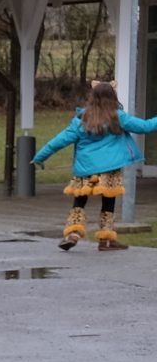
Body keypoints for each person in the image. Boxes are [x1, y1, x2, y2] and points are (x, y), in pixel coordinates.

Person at [33, 79, 154, 250]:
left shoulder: (81, 119)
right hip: (109, 168)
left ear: (92, 97)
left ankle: (73, 233)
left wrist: (39, 157)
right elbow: (145, 127)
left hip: (85, 168)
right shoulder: (118, 117)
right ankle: (106, 239)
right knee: (108, 201)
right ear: (113, 97)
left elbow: (59, 141)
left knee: (80, 200)